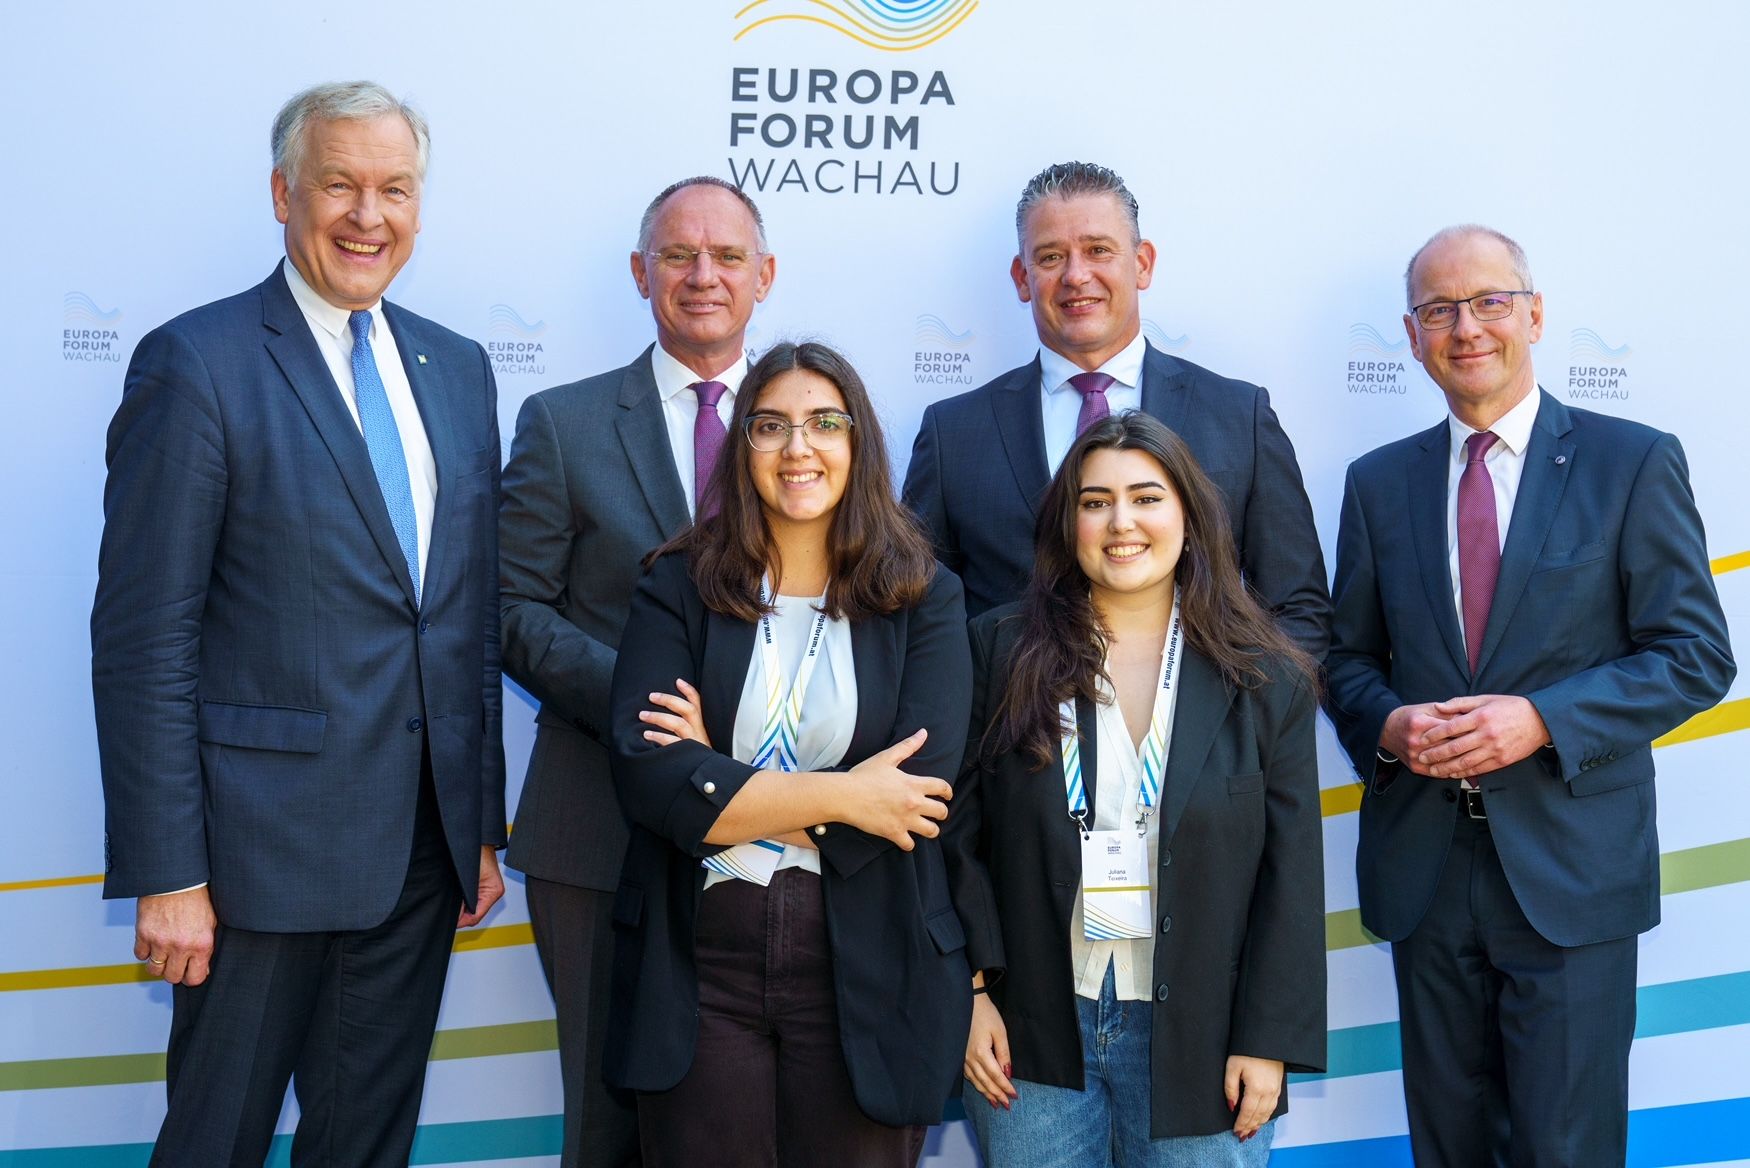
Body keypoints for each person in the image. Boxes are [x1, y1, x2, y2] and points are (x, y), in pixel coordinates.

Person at [90, 81, 505, 1166]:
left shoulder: (457, 369)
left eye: (395, 189)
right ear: (284, 194)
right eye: (340, 184)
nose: (368, 215)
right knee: (215, 1142)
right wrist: (169, 872)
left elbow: (462, 619)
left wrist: (478, 824)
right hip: (250, 867)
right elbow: (144, 640)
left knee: (365, 1144)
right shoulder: (198, 363)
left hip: (418, 857)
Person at [1325, 225, 1735, 1166]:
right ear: (1413, 332)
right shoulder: (1376, 484)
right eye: (1439, 309)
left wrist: (1543, 718)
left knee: (1569, 1150)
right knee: (1450, 1147)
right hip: (1424, 874)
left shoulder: (1630, 462)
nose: (1466, 327)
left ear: (1534, 314)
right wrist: (1388, 723)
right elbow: (1344, 660)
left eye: (1489, 302)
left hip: (1570, 872)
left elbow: (1694, 654)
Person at [604, 341, 972, 1166]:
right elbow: (653, 782)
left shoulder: (926, 597)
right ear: (742, 449)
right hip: (701, 965)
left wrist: (720, 787)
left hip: (866, 965)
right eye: (770, 426)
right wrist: (845, 796)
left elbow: (914, 803)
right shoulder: (679, 586)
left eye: (823, 424)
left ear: (858, 443)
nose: (797, 448)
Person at [945, 412, 1325, 1167]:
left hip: (1205, 1040)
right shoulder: (999, 649)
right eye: (1095, 502)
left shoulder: (1266, 676)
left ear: (1189, 513)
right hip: (1033, 1027)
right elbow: (955, 835)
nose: (1122, 523)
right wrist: (971, 992)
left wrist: (1267, 1040)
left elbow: (1291, 874)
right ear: (1068, 522)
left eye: (1146, 497)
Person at [498, 175, 776, 1168]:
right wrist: (650, 705)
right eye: (678, 255)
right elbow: (512, 607)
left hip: (779, 830)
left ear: (764, 276)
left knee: (744, 1119)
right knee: (609, 1121)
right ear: (641, 272)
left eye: (727, 256)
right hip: (597, 826)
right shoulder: (561, 423)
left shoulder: (809, 425)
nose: (703, 276)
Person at [903, 161, 1328, 657]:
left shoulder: (1239, 418)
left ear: (1142, 263)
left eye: (1098, 250)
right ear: (1022, 278)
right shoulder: (954, 433)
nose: (1076, 276)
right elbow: (918, 615)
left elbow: (1298, 612)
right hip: (1013, 731)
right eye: (1050, 257)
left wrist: (1237, 727)